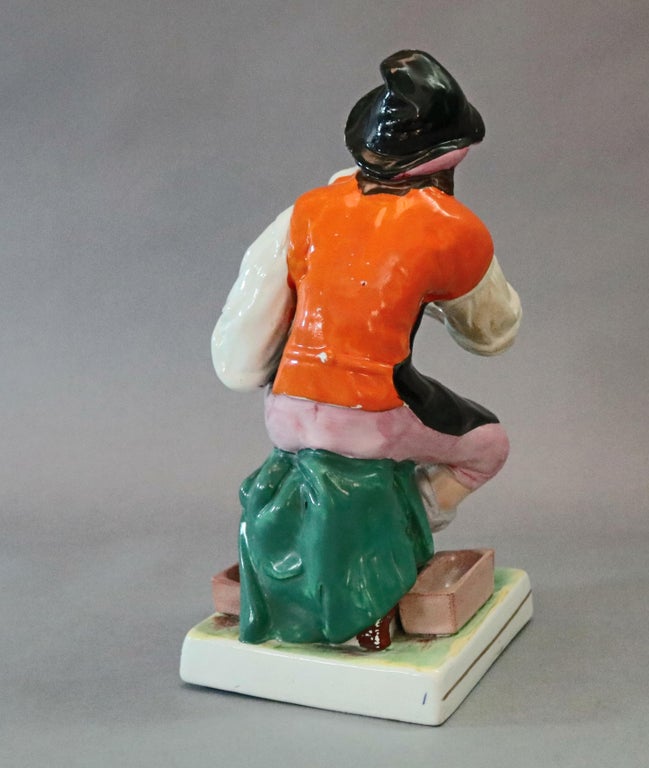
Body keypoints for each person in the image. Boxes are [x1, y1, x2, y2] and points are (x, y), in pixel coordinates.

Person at [211, 50, 521, 645]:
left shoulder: (306, 211)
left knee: (387, 422)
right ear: (452, 156)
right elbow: (492, 333)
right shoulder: (451, 225)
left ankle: (350, 535)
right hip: (372, 413)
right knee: (486, 446)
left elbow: (240, 351)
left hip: (285, 409)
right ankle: (409, 527)